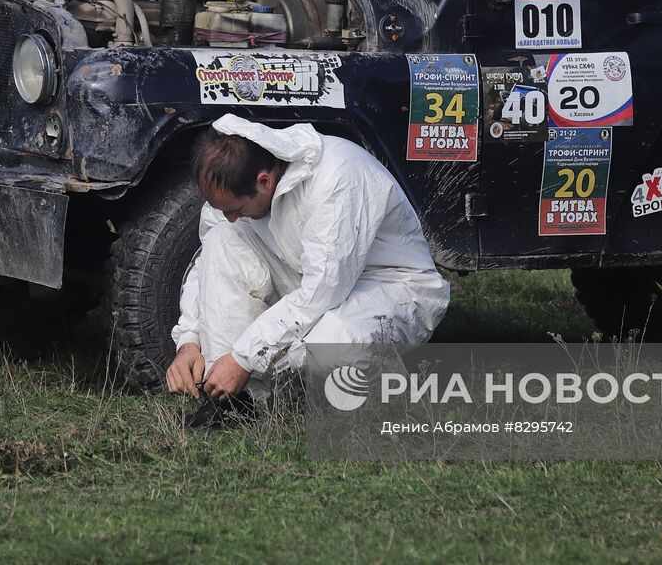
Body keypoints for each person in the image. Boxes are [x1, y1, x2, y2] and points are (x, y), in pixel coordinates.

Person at [166, 114, 451, 428]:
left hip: (388, 287)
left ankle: (379, 397)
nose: (232, 217)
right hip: (311, 280)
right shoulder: (234, 187)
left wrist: (245, 357)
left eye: (236, 210)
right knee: (221, 239)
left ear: (264, 181)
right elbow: (209, 262)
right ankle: (232, 402)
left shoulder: (338, 176)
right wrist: (190, 341)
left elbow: (323, 291)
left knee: (333, 343)